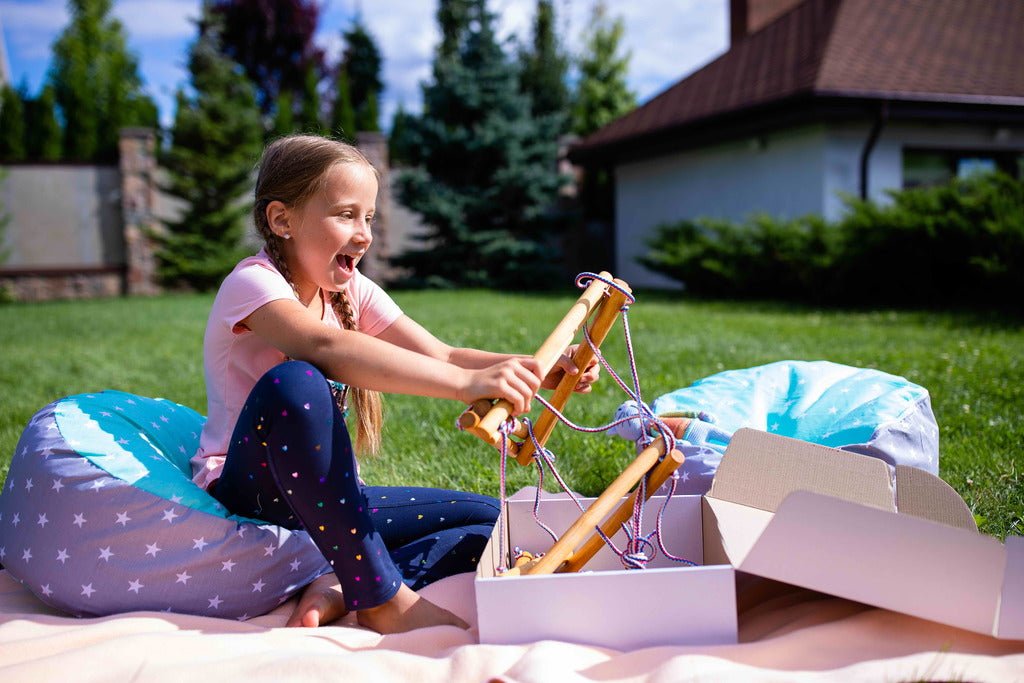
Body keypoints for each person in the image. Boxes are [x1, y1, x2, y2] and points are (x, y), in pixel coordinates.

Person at [190, 134, 599, 634]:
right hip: (253, 496)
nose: (363, 233)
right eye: (345, 215)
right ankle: (382, 597)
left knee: (493, 523)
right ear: (283, 220)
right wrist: (466, 384)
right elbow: (323, 348)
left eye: (368, 217)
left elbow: (443, 354)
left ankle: (341, 583)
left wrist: (540, 368)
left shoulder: (351, 289)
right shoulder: (252, 285)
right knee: (294, 383)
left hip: (324, 504)